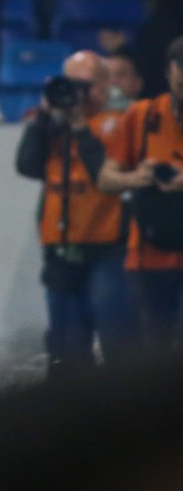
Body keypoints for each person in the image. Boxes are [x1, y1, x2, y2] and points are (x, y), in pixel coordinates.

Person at [15, 51, 136, 377]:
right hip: (61, 247)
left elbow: (105, 175)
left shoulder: (123, 121)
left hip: (108, 247)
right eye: (71, 84)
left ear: (104, 85)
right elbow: (26, 165)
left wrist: (81, 127)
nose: (77, 93)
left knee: (118, 346)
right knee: (66, 351)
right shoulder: (53, 124)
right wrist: (43, 117)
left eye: (85, 85)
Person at [99, 37, 183, 352]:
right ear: (169, 74)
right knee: (155, 353)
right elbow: (106, 178)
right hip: (149, 253)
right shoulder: (141, 115)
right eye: (181, 83)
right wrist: (139, 177)